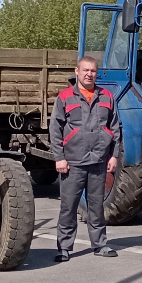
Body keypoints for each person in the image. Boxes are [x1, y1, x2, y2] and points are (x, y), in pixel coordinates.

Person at [48, 57, 121, 260]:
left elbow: (115, 128)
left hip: (98, 161)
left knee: (96, 206)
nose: (89, 74)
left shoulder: (106, 96)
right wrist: (59, 158)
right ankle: (64, 248)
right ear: (77, 71)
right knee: (68, 206)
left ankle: (100, 245)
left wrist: (114, 156)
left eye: (93, 71)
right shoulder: (65, 97)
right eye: (86, 70)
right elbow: (56, 130)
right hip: (73, 162)